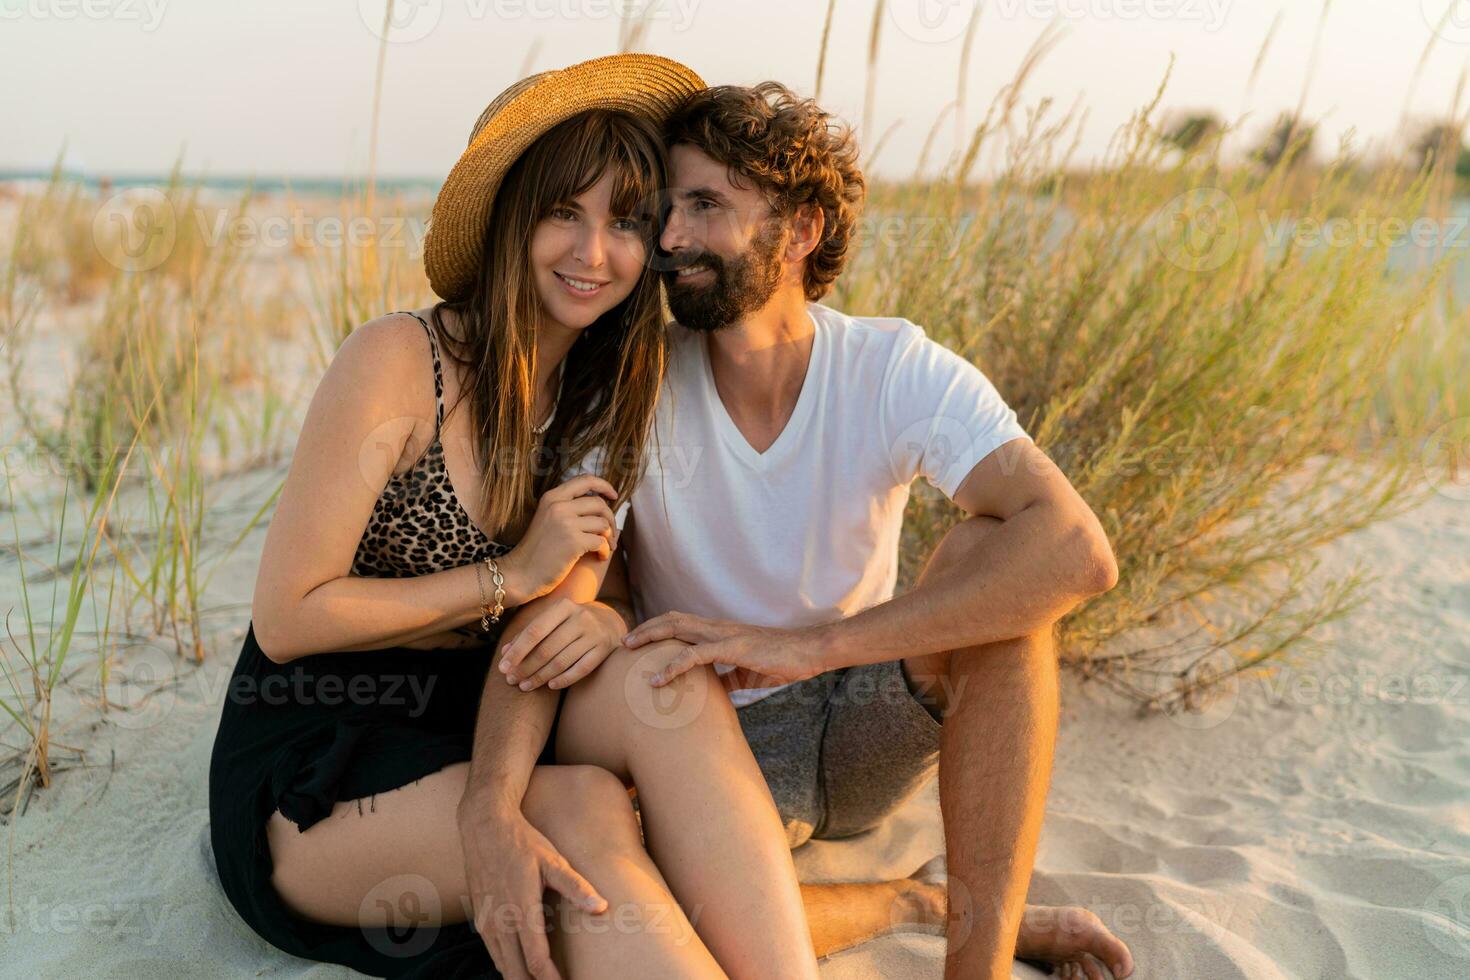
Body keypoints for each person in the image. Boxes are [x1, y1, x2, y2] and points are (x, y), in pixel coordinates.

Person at [491, 82, 1138, 980]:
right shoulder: (632, 389)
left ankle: (976, 966)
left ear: (800, 230)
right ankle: (915, 901)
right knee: (644, 913)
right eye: (666, 209)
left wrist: (818, 646)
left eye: (708, 206)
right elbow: (581, 585)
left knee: (1001, 568)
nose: (671, 238)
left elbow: (1076, 549)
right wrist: (602, 610)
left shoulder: (889, 366)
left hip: (862, 715)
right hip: (711, 749)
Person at [208, 56, 820, 980]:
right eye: (562, 212)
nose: (593, 252)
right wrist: (510, 577)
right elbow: (289, 618)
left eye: (625, 221)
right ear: (511, 219)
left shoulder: (611, 390)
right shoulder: (401, 362)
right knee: (579, 815)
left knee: (666, 680)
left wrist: (604, 609)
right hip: (317, 754)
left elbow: (588, 581)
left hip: (480, 716)